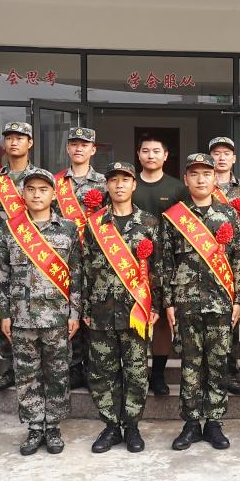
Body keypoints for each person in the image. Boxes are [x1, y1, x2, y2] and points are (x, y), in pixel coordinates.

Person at [0, 168, 82, 456]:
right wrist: (5, 313)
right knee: (26, 374)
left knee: (57, 373)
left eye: (43, 189)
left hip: (57, 317)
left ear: (53, 194)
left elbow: (76, 274)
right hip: (21, 317)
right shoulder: (10, 228)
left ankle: (52, 426)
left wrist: (75, 313)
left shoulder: (68, 229)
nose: (37, 194)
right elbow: (1, 275)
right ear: (23, 193)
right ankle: (33, 427)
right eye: (31, 189)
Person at [161, 153, 240, 451]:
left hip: (221, 303)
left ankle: (214, 422)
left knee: (218, 363)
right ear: (186, 179)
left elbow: (239, 261)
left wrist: (239, 301)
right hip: (186, 303)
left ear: (214, 179)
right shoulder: (174, 217)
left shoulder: (229, 216)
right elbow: (166, 264)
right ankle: (190, 423)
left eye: (206, 174)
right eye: (195, 174)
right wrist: (168, 303)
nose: (201, 179)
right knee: (190, 364)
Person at [83, 162, 162, 454]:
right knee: (103, 372)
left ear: (134, 185)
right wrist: (84, 308)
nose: (119, 185)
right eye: (113, 180)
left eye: (125, 180)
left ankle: (132, 426)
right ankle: (110, 427)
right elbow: (83, 267)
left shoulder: (149, 223)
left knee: (136, 371)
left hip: (136, 312)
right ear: (106, 185)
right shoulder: (94, 224)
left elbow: (158, 268)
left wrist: (156, 304)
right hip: (101, 310)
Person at [0, 121, 42, 393]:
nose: (14, 142)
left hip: (34, 259)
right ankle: (11, 366)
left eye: (20, 138)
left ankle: (35, 367)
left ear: (30, 143)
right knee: (1, 313)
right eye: (9, 138)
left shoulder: (40, 179)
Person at [131, 134, 187, 398]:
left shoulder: (177, 189)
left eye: (156, 151)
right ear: (138, 155)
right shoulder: (129, 185)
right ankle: (136, 372)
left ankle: (158, 374)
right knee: (135, 316)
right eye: (145, 151)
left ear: (165, 156)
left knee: (163, 319)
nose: (150, 155)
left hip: (165, 263)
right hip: (130, 264)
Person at [53, 126, 108, 391]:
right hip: (63, 258)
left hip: (96, 257)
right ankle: (74, 366)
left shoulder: (104, 183)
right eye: (74, 144)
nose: (78, 148)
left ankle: (93, 366)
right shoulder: (55, 183)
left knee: (93, 309)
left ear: (93, 150)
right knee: (70, 310)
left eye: (84, 144)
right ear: (67, 148)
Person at [209, 135, 240, 397]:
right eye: (216, 153)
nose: (221, 157)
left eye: (226, 153)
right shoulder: (202, 183)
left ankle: (230, 372)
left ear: (234, 158)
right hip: (204, 262)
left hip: (234, 263)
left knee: (232, 318)